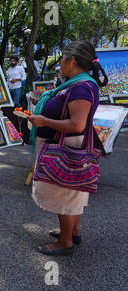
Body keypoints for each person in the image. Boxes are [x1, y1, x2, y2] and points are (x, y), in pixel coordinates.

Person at [27, 40, 108, 256]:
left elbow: (77, 124)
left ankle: (65, 242)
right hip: (69, 146)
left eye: (61, 59)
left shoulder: (81, 87)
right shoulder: (76, 84)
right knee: (70, 193)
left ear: (71, 61)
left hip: (67, 149)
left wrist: (44, 121)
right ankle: (72, 231)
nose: (59, 64)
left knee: (64, 194)